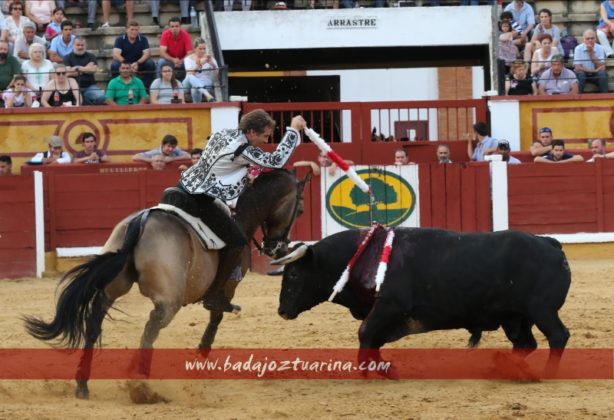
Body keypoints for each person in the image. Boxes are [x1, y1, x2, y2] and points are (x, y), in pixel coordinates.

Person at [165, 110, 305, 313]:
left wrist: (245, 172)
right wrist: (292, 130)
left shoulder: (223, 134)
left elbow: (223, 164)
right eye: (264, 136)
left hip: (180, 187)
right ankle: (214, 294)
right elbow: (276, 161)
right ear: (251, 131)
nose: (266, 140)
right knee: (237, 241)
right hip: (200, 199)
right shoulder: (241, 147)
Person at [111, 21, 156, 89]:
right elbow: (116, 55)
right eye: (132, 29)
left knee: (150, 63)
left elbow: (147, 54)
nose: (134, 32)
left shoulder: (143, 39)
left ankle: (146, 88)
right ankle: (117, 87)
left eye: (136, 30)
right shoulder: (120, 39)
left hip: (139, 64)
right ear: (126, 30)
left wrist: (137, 63)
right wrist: (127, 64)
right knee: (114, 65)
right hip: (124, 64)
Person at [63, 36, 106, 105]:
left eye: (82, 45)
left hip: (89, 86)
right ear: (73, 45)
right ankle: (87, 102)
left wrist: (78, 67)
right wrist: (86, 68)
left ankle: (87, 103)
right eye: (78, 45)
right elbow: (69, 73)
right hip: (72, 88)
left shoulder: (91, 56)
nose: (80, 47)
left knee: (101, 97)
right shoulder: (67, 57)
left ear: (86, 45)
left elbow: (93, 69)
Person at [573, 29, 608, 94]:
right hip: (583, 74)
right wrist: (595, 70)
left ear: (595, 39)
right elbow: (577, 68)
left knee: (602, 74)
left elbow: (602, 67)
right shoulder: (578, 48)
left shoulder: (600, 48)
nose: (590, 40)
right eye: (587, 39)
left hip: (595, 74)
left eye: (592, 38)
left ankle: (604, 97)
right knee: (581, 74)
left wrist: (591, 53)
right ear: (583, 39)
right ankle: (578, 98)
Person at [183, 38, 218, 102]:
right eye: (200, 49)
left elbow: (217, 77)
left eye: (204, 49)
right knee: (190, 77)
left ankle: (196, 107)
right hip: (188, 83)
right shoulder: (187, 59)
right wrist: (200, 63)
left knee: (195, 88)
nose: (203, 51)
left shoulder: (210, 58)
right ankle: (208, 95)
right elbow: (189, 74)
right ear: (194, 49)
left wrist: (213, 65)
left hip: (205, 82)